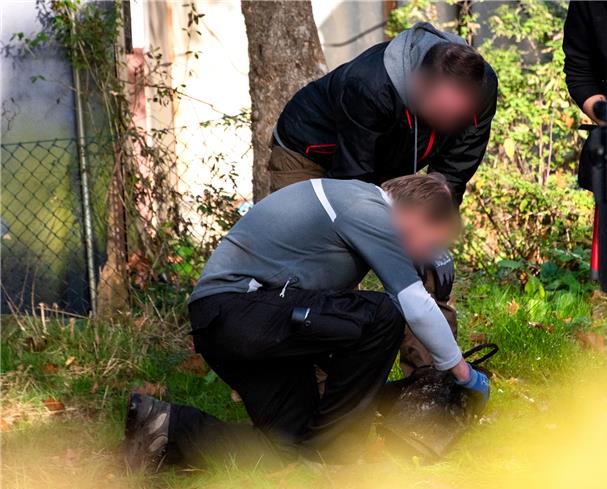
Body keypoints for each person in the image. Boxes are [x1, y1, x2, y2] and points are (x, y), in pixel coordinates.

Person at [123, 173, 490, 470]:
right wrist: (462, 373)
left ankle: (164, 428)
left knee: (292, 448)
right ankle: (336, 455)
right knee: (385, 313)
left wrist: (385, 395)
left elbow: (331, 331)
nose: (428, 255)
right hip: (237, 310)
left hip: (237, 324)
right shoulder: (366, 206)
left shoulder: (352, 216)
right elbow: (414, 303)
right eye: (431, 242)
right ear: (415, 215)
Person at [266, 22, 498, 376]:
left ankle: (430, 384)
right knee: (322, 269)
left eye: (458, 116)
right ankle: (312, 393)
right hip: (311, 153)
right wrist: (390, 243)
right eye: (443, 113)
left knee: (429, 261)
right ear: (419, 89)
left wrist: (427, 231)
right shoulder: (370, 84)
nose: (451, 123)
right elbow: (351, 191)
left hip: (386, 160)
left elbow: (451, 173)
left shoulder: (481, 91)